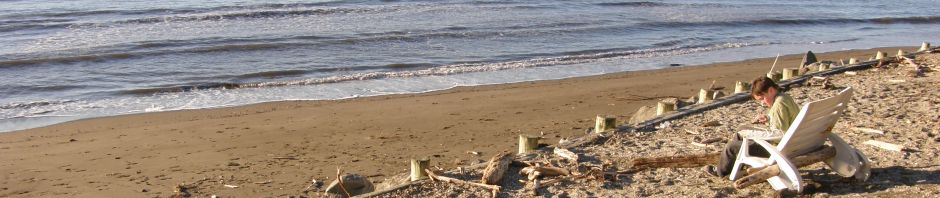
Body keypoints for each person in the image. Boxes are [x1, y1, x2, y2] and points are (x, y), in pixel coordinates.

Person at [703, 76, 801, 178]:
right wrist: (769, 118)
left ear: (771, 90)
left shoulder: (778, 106)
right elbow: (786, 121)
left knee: (731, 147)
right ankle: (737, 165)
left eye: (762, 98)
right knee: (741, 129)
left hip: (778, 150)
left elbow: (779, 134)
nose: (762, 103)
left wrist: (754, 134)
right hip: (793, 144)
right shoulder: (784, 98)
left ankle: (721, 172)